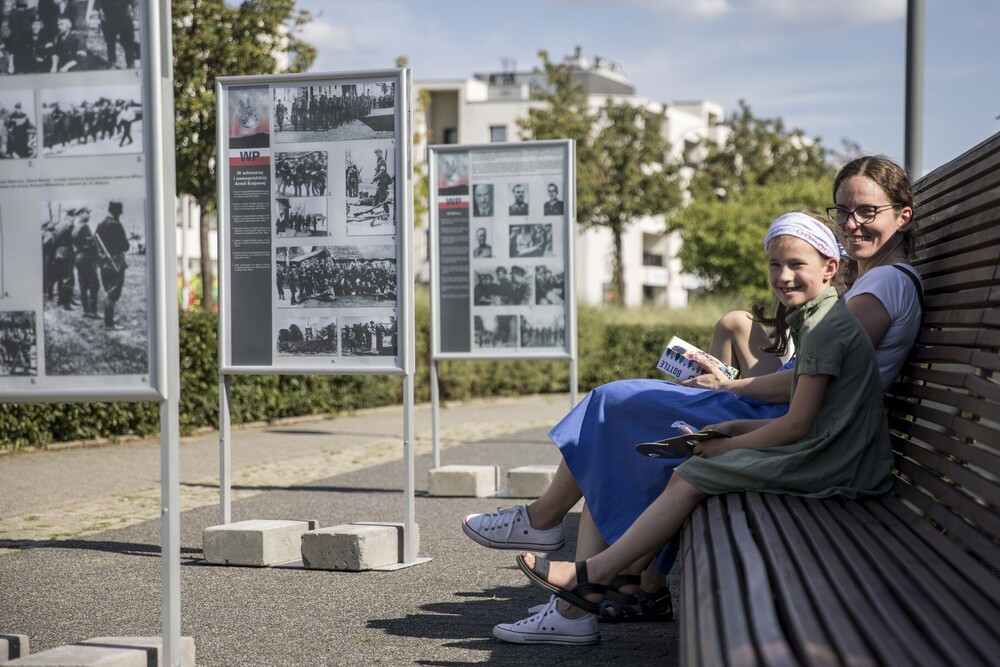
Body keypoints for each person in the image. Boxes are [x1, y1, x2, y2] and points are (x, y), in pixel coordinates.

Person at [464, 155, 923, 642]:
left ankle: (568, 565)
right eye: (843, 211)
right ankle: (583, 588)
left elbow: (810, 392)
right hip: (811, 428)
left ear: (902, 215)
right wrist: (732, 414)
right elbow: (815, 381)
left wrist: (729, 394)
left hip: (818, 438)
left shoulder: (874, 291)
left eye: (867, 211)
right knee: (620, 423)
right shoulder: (855, 291)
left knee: (616, 409)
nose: (851, 224)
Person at [95, 200, 130, 330]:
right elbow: (125, 246)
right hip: (116, 264)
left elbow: (96, 243)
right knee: (113, 295)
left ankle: (108, 320)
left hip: (104, 265)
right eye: (119, 212)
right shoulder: (117, 225)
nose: (120, 215)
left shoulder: (100, 224)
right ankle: (109, 324)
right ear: (116, 211)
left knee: (109, 292)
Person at [72, 207, 101, 319]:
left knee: (83, 285)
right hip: (87, 258)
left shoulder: (75, 226)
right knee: (94, 285)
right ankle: (93, 311)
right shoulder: (84, 227)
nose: (89, 215)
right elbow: (91, 245)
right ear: (80, 214)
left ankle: (85, 310)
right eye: (87, 213)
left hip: (79, 257)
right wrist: (98, 257)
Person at [95, 0, 137, 69]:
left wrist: (131, 4)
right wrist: (99, 7)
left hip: (124, 7)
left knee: (128, 39)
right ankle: (112, 62)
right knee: (110, 39)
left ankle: (130, 63)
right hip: (108, 8)